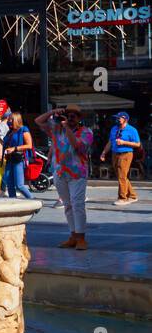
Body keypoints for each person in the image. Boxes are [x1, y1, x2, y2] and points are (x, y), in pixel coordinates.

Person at [37, 104, 93, 249]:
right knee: (68, 206)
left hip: (77, 173)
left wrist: (67, 128)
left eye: (74, 116)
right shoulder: (56, 129)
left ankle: (81, 238)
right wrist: (52, 112)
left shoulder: (86, 132)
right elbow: (38, 121)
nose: (70, 118)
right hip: (60, 172)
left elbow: (77, 146)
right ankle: (73, 235)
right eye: (68, 115)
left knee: (77, 205)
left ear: (79, 118)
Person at [100, 111, 141, 205]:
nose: (117, 119)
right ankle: (132, 195)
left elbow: (137, 144)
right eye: (116, 118)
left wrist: (124, 143)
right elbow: (110, 142)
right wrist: (104, 152)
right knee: (121, 176)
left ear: (125, 119)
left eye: (119, 118)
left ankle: (122, 198)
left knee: (122, 176)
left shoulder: (132, 130)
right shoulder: (114, 128)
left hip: (126, 154)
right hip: (115, 153)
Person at [2, 112, 34, 201]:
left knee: (19, 185)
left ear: (16, 120)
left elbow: (29, 145)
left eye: (10, 119)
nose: (8, 121)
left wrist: (14, 149)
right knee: (10, 184)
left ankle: (33, 200)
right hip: (9, 159)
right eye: (8, 119)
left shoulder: (23, 130)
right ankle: (13, 203)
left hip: (19, 159)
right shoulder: (10, 131)